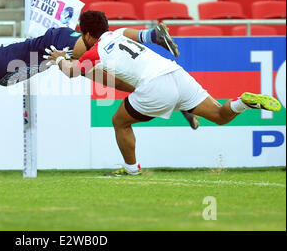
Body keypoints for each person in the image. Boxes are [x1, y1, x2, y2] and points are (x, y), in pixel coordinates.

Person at [46, 11, 282, 176]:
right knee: (220, 115)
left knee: (120, 122)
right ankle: (242, 102)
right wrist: (153, 36)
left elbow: (71, 72)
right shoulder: (118, 34)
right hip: (174, 73)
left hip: (154, 87)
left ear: (87, 35)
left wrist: (59, 59)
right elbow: (137, 35)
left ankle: (131, 170)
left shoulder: (94, 52)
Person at [0, 22, 193, 158]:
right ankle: (184, 104)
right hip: (53, 52)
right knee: (113, 80)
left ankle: (149, 36)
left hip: (55, 43)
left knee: (106, 44)